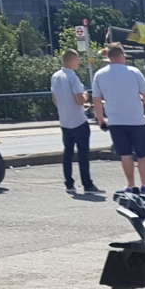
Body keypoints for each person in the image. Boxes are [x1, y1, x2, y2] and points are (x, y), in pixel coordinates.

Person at [91, 42, 145, 195]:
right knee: (143, 154)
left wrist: (100, 118)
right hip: (136, 120)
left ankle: (130, 185)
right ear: (121, 55)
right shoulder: (134, 72)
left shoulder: (99, 75)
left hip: (115, 122)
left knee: (125, 154)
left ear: (109, 57)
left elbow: (96, 99)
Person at [51, 50, 98, 194]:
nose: (78, 63)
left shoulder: (55, 76)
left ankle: (69, 183)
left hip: (64, 120)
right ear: (72, 61)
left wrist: (64, 108)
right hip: (78, 120)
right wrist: (86, 95)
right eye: (77, 60)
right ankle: (87, 184)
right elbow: (79, 100)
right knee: (83, 154)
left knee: (68, 152)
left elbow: (54, 98)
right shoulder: (73, 78)